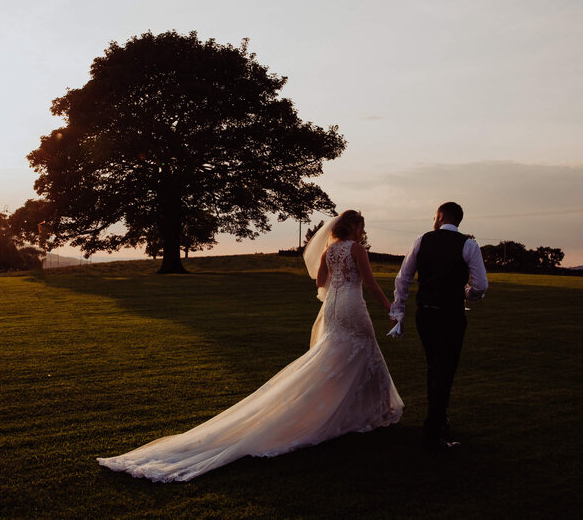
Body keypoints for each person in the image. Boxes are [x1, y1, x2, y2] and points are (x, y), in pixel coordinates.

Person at [98, 210, 403, 482]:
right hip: (352, 305)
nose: (363, 233)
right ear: (354, 227)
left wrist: (339, 282)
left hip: (334, 306)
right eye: (361, 227)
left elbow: (320, 283)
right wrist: (390, 308)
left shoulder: (329, 250)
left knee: (340, 354)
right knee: (362, 350)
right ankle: (370, 410)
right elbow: (372, 284)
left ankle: (360, 408)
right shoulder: (356, 249)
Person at [390, 201, 488, 451]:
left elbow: (403, 279)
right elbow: (480, 286)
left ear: (441, 215)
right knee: (445, 369)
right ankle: (433, 431)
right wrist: (467, 293)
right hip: (451, 316)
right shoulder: (469, 245)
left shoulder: (422, 240)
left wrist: (398, 310)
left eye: (434, 215)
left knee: (435, 366)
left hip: (425, 315)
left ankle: (438, 419)